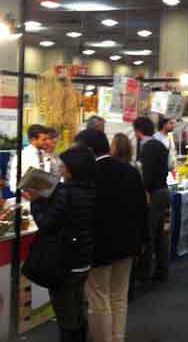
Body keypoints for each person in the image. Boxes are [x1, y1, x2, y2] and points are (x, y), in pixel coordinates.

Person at [75, 130, 148, 342]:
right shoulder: (130, 171)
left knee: (98, 298)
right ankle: (117, 338)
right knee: (119, 297)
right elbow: (141, 208)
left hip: (99, 245)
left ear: (88, 149)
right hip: (127, 243)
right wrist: (142, 241)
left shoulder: (89, 173)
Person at [23, 145, 96, 342]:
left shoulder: (66, 192)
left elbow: (47, 224)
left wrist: (36, 201)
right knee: (78, 310)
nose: (61, 169)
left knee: (66, 317)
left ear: (72, 169)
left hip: (64, 261)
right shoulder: (92, 189)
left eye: (64, 167)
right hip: (83, 258)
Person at [133, 117, 171, 282]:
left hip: (153, 194)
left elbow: (147, 177)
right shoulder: (160, 145)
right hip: (163, 190)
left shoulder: (147, 148)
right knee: (160, 233)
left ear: (138, 131)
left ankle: (145, 271)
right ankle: (162, 268)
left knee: (148, 233)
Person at [8, 124, 49, 192]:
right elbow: (14, 184)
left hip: (44, 198)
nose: (47, 142)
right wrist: (27, 194)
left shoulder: (45, 155)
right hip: (27, 200)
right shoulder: (23, 156)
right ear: (33, 140)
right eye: (44, 140)